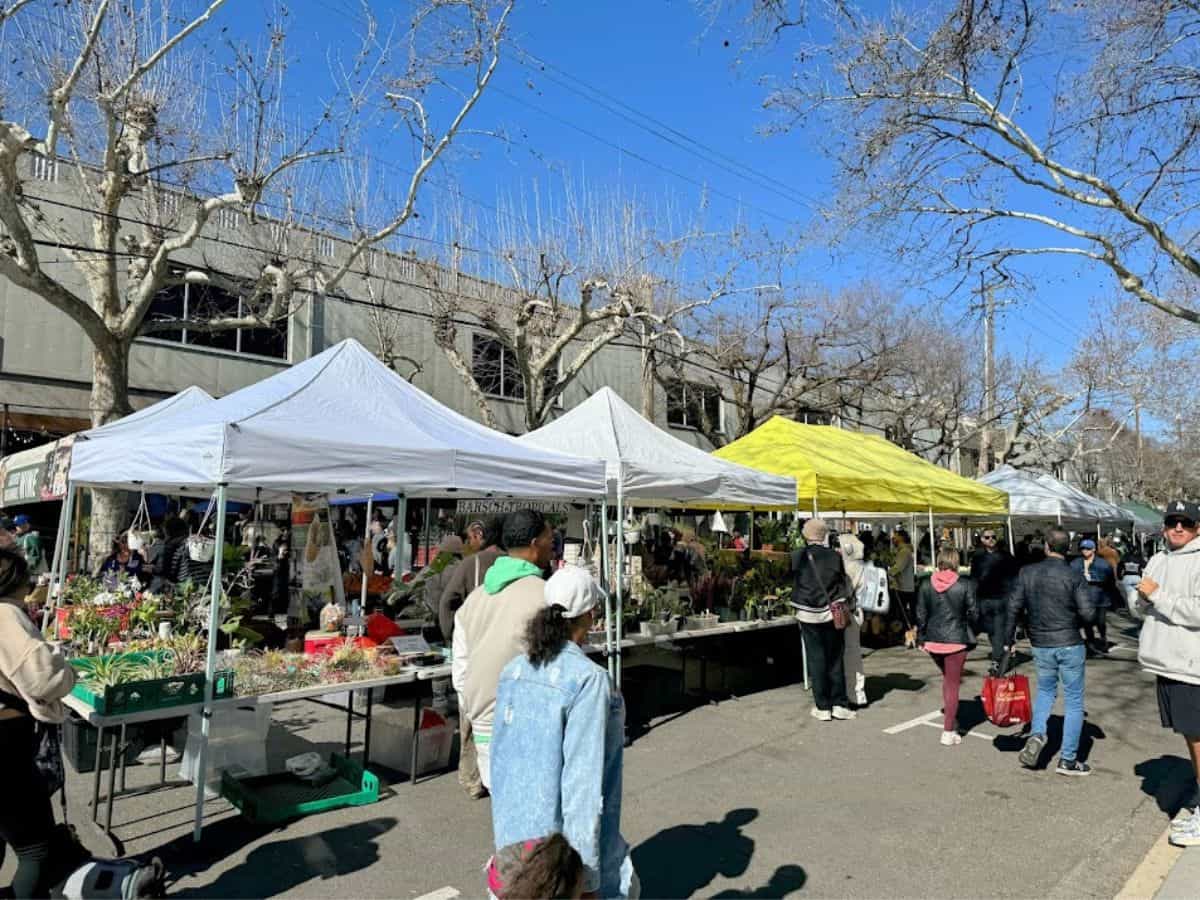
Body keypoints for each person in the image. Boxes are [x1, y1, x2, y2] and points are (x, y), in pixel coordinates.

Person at [489, 566, 637, 899]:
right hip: (557, 859)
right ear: (590, 614)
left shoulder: (514, 670)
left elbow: (499, 764)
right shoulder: (588, 680)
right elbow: (582, 788)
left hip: (512, 843)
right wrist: (587, 879)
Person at [453, 510, 554, 790]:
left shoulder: (476, 598)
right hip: (527, 728)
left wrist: (476, 711)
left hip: (485, 727)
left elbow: (461, 670)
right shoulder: (545, 597)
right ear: (535, 544)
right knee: (535, 818)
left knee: (509, 813)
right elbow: (557, 671)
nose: (552, 545)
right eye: (550, 538)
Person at [0, 548, 77, 898]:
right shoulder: (5, 615)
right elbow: (43, 678)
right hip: (5, 742)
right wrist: (67, 671)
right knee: (36, 850)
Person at [1005, 527, 1097, 776]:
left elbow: (1012, 607)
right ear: (1067, 549)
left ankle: (1037, 734)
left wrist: (1007, 639)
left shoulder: (1027, 572)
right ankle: (1067, 759)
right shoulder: (1074, 575)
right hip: (1069, 641)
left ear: (1046, 546)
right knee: (1074, 701)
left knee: (1045, 692)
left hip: (1041, 643)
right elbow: (1089, 613)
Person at [1137, 500, 1200, 847]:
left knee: (1198, 738)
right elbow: (1142, 605)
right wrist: (1141, 600)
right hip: (1164, 661)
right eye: (1173, 522)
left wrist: (1158, 597)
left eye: (1186, 523)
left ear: (1197, 528)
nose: (1178, 528)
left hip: (1191, 666)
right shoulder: (1159, 558)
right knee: (1191, 738)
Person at [439, 518, 504, 800]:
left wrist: (451, 633)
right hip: (506, 654)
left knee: (471, 720)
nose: (467, 542)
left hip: (476, 653)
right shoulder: (520, 565)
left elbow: (446, 603)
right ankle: (498, 775)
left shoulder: (471, 565)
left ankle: (472, 780)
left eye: (469, 537)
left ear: (480, 535)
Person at [791, 518, 856, 721]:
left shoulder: (797, 556)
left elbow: (793, 578)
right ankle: (839, 704)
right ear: (824, 534)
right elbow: (841, 579)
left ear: (806, 534)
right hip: (832, 611)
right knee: (835, 657)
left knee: (816, 658)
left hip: (806, 612)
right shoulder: (834, 556)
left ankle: (822, 706)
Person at [917, 547, 978, 746]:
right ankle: (948, 730)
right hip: (956, 639)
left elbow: (920, 613)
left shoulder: (926, 584)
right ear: (956, 562)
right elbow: (974, 612)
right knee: (952, 685)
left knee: (948, 681)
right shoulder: (965, 584)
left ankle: (952, 719)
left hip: (933, 641)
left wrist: (921, 636)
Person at [971, 528, 1016, 672]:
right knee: (991, 631)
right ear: (982, 540)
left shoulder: (1005, 556)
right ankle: (1001, 652)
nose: (991, 539)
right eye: (987, 537)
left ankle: (996, 660)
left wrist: (1010, 597)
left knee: (997, 631)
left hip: (1000, 600)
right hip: (983, 600)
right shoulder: (978, 557)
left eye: (993, 537)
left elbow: (1013, 577)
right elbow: (974, 578)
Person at [837, 532, 869, 708]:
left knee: (843, 654)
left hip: (844, 611)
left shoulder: (846, 568)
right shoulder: (862, 566)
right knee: (854, 653)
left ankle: (848, 693)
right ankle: (858, 693)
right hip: (858, 611)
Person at [1072, 538, 1117, 656]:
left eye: (1087, 548)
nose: (1085, 551)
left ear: (1093, 549)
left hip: (1101, 598)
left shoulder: (1103, 563)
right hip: (1084, 598)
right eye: (1082, 548)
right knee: (1087, 622)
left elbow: (1111, 579)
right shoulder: (1075, 563)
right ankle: (1091, 643)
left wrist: (1110, 594)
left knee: (1101, 622)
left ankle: (1103, 638)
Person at [889, 530, 916, 622]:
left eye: (895, 536)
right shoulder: (902, 551)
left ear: (901, 538)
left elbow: (898, 568)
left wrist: (887, 572)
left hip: (904, 587)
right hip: (905, 586)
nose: (893, 539)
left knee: (903, 614)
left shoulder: (904, 552)